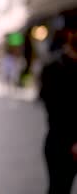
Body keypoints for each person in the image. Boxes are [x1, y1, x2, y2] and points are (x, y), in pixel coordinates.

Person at [39, 25, 77, 194]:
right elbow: (55, 110)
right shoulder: (54, 70)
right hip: (61, 143)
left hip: (62, 141)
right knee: (59, 188)